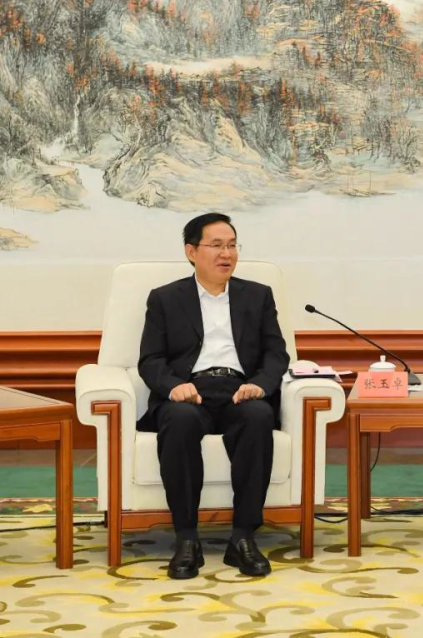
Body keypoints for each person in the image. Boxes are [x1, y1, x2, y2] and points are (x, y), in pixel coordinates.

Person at [137, 213, 289, 579]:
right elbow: (151, 360)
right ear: (191, 251)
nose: (227, 254)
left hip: (240, 390)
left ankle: (243, 538)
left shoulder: (258, 295)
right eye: (217, 245)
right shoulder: (165, 298)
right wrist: (173, 386)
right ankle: (187, 539)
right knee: (179, 419)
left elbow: (276, 354)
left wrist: (260, 385)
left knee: (258, 416)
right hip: (191, 391)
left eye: (232, 245)